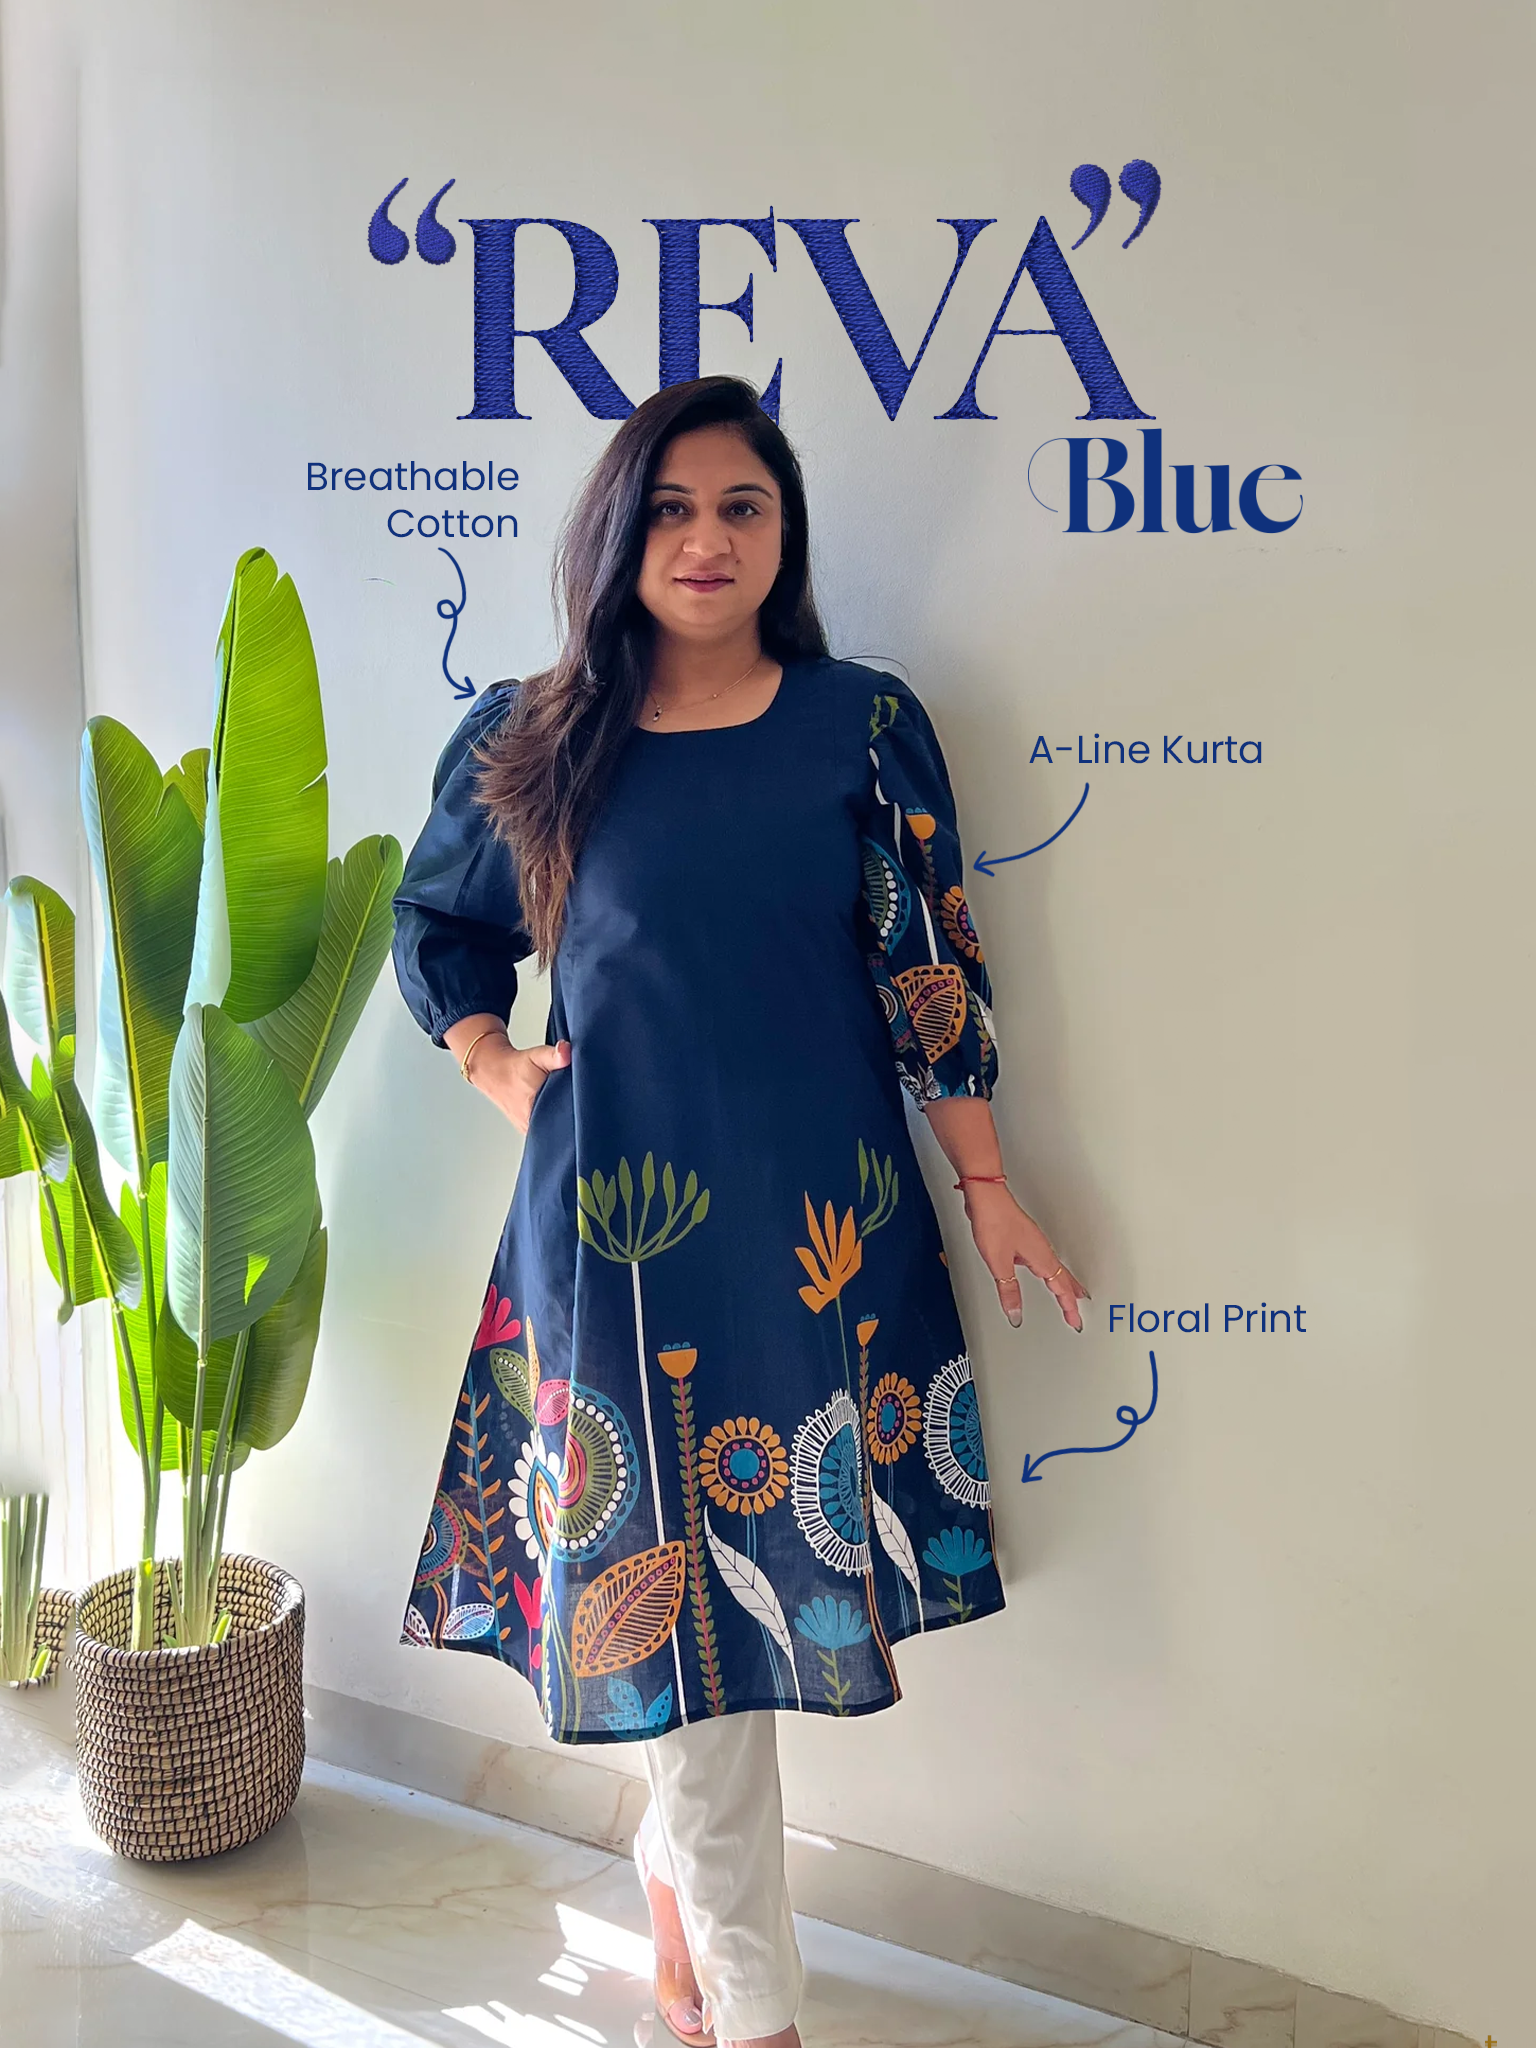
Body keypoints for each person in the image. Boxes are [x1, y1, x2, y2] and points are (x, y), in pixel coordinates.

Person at [391, 375, 1087, 2048]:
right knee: (685, 1629)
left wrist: (989, 1186)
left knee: (726, 1602)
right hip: (616, 1242)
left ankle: (673, 1897)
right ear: (618, 534)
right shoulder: (531, 734)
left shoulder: (861, 725)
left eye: (743, 508)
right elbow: (440, 926)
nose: (707, 540)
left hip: (812, 1233)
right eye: (673, 508)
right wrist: (495, 1060)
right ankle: (759, 2013)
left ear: (786, 535)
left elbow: (927, 972)